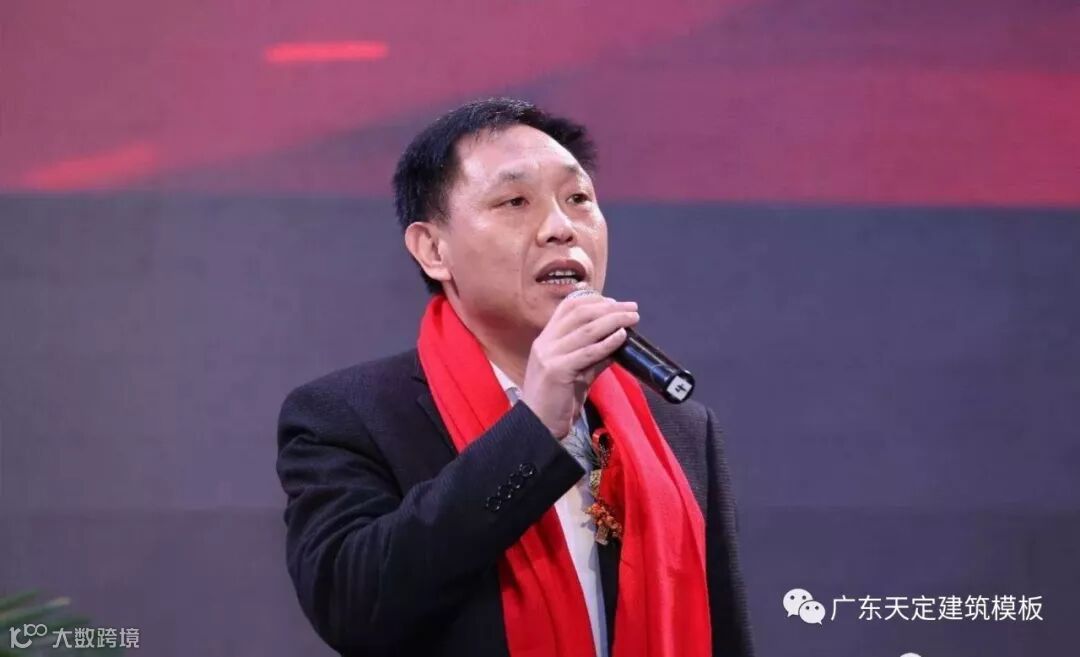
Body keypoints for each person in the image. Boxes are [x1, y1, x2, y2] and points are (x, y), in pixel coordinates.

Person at [275, 97, 754, 657]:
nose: (560, 228)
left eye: (578, 199)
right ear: (433, 249)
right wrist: (533, 430)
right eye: (515, 201)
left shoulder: (679, 429)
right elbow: (355, 608)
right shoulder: (348, 417)